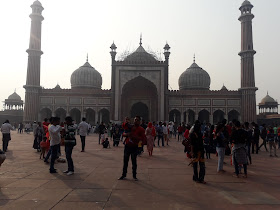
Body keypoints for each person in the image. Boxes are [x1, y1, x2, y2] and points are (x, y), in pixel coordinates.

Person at [119, 116, 146, 181]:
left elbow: (143, 139)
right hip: (127, 145)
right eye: (135, 120)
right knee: (125, 161)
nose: (135, 121)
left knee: (134, 161)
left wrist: (138, 144)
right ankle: (123, 175)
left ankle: (134, 175)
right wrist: (126, 134)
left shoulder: (141, 129)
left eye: (137, 120)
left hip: (134, 146)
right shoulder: (130, 127)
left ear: (139, 121)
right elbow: (123, 132)